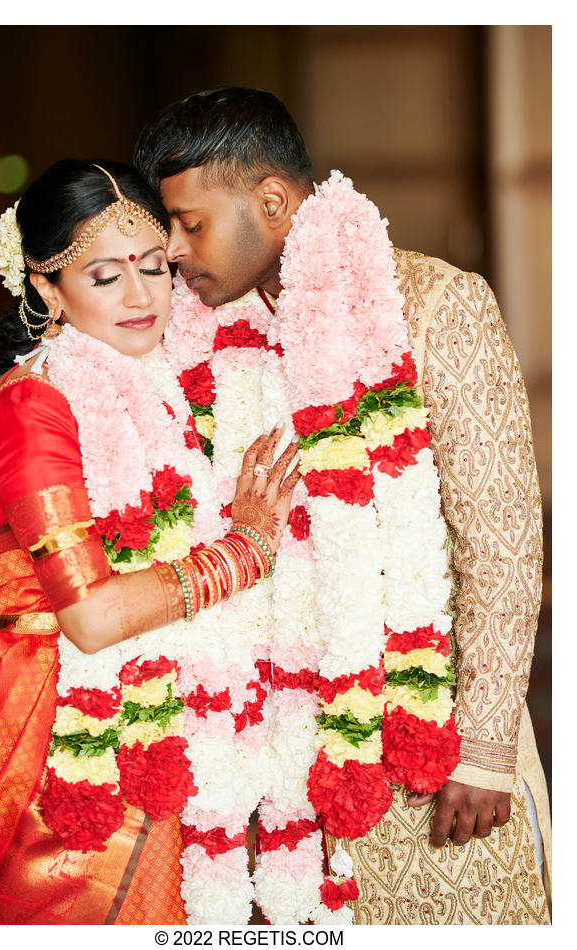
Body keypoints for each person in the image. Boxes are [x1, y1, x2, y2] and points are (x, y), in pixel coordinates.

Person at [134, 86, 551, 925]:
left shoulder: (433, 305)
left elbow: (502, 541)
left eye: (190, 223)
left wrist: (484, 749)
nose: (173, 252)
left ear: (273, 201)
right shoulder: (192, 337)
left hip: (424, 743)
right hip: (267, 752)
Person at [0, 158, 301, 925]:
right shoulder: (31, 408)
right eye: (105, 277)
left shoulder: (145, 379)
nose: (142, 296)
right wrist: (245, 549)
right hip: (50, 730)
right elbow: (93, 619)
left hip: (149, 704)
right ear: (46, 288)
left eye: (152, 268)